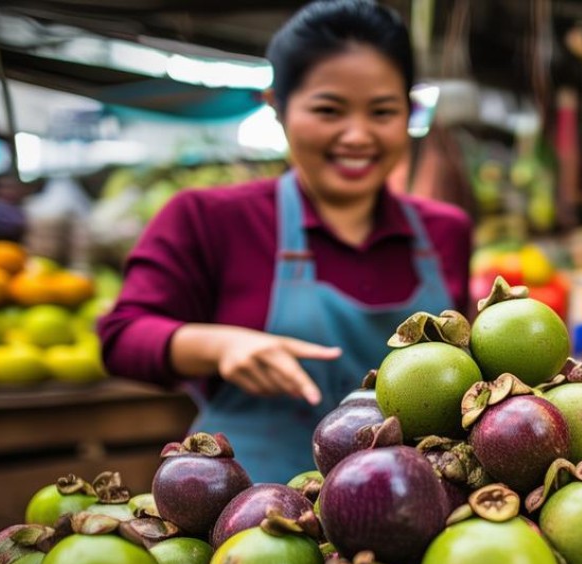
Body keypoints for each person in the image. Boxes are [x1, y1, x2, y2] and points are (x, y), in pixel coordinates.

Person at [99, 0, 472, 483]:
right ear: (277, 106)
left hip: (406, 502)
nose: (357, 135)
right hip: (244, 510)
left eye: (382, 111)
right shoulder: (208, 218)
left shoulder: (445, 231)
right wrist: (218, 344)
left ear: (408, 112)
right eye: (328, 110)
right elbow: (121, 336)